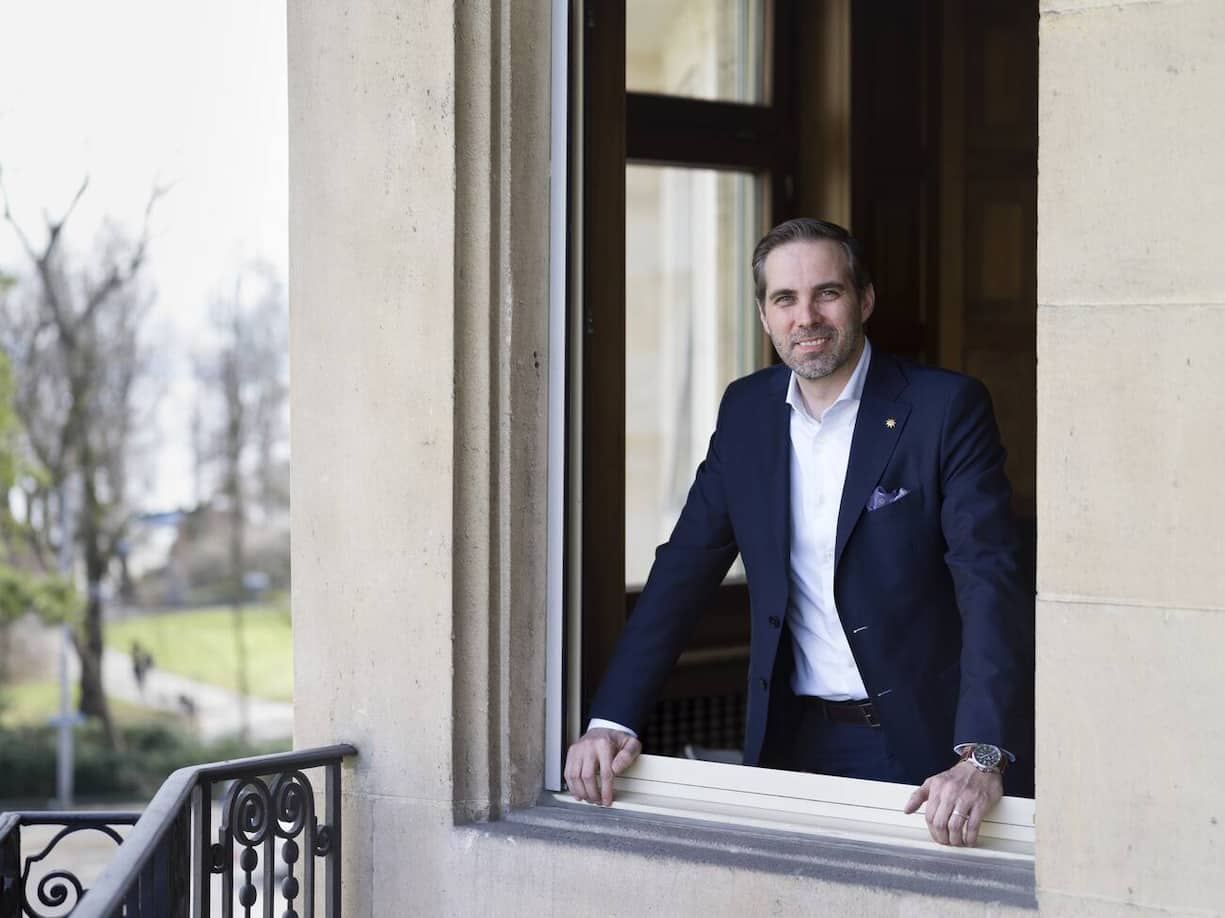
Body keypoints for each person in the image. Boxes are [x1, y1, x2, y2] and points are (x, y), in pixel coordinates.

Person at [565, 218, 1033, 848]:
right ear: (764, 316)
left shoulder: (945, 408)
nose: (805, 316)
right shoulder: (747, 411)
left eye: (827, 293)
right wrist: (610, 719)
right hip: (789, 741)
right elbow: (684, 568)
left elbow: (990, 584)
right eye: (785, 299)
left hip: (925, 755)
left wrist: (981, 756)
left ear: (863, 300)